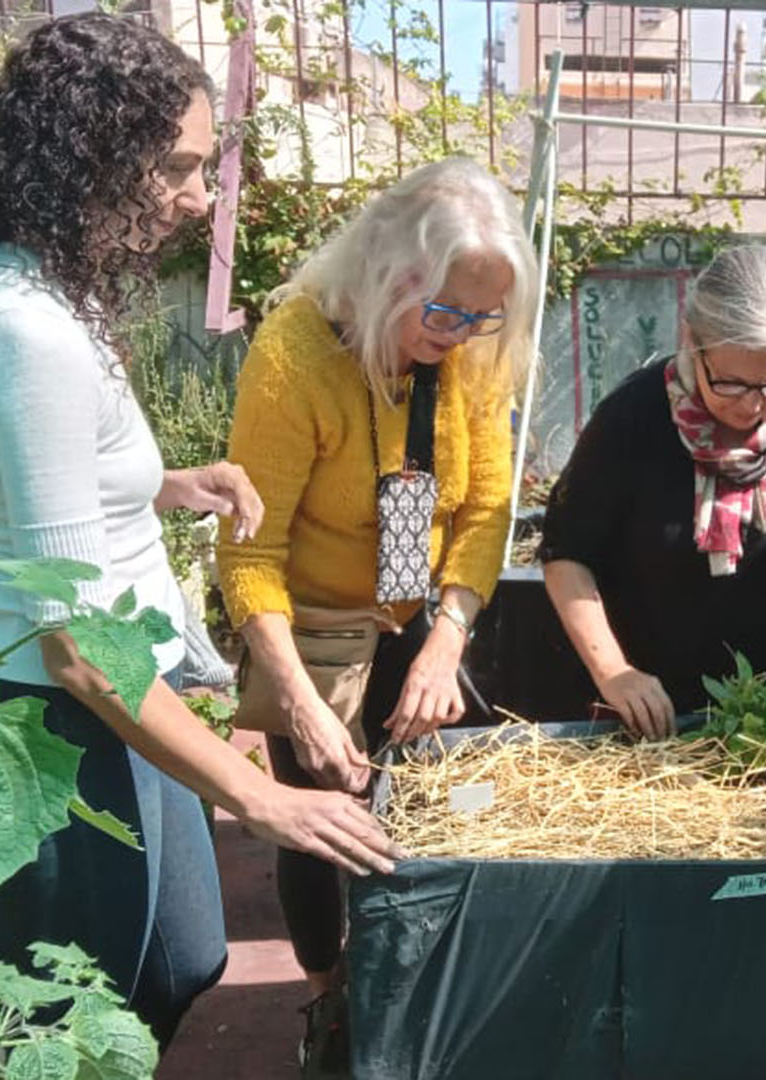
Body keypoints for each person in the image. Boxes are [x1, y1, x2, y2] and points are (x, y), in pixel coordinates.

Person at [0, 13, 397, 1047]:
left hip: (133, 685)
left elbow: (44, 486)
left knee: (182, 955)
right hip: (63, 718)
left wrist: (166, 484)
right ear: (92, 153)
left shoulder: (45, 294)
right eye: (177, 165)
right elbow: (76, 644)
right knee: (70, 1014)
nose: (197, 194)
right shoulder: (26, 333)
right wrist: (260, 798)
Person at [216, 156, 533, 1055]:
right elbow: (251, 553)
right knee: (319, 821)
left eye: (484, 315)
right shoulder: (296, 356)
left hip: (409, 609)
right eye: (445, 311)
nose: (465, 332)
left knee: (427, 800)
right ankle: (329, 999)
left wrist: (446, 641)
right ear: (389, 270)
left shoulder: (468, 356)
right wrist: (306, 710)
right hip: (309, 628)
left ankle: (412, 982)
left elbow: (483, 510)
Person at [540, 244, 766, 737]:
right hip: (649, 720)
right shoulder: (632, 418)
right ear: (691, 344)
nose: (755, 404)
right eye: (731, 383)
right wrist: (614, 673)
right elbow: (566, 554)